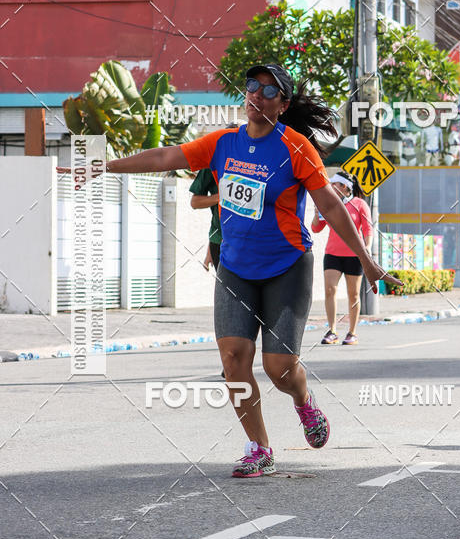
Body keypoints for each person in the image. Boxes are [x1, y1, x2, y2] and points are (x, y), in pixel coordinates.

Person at [72, 63, 397, 478]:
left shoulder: (296, 148)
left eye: (268, 90)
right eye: (251, 87)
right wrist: (106, 166)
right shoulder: (223, 142)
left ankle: (303, 400)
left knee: (279, 368)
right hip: (236, 268)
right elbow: (166, 156)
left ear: (283, 104)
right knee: (234, 358)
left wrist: (367, 261)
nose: (256, 95)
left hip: (287, 265)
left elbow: (331, 206)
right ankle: (259, 448)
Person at [311, 170, 372, 346]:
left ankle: (352, 332)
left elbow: (368, 230)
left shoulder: (359, 204)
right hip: (332, 254)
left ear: (344, 187)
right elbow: (316, 228)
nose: (331, 187)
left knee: (353, 295)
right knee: (330, 290)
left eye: (334, 184)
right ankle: (332, 331)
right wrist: (316, 213)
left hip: (354, 254)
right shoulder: (329, 203)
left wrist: (366, 249)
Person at [190, 167, 222, 268]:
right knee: (228, 284)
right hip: (220, 243)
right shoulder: (212, 162)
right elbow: (195, 202)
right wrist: (221, 197)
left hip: (255, 240)